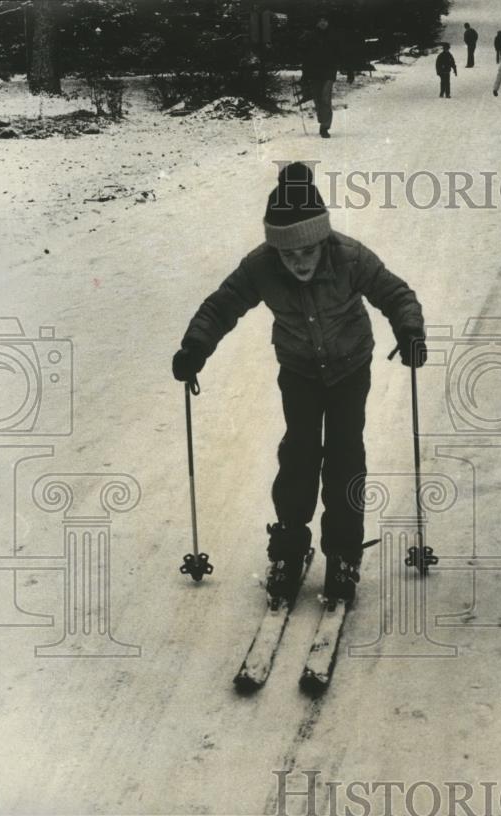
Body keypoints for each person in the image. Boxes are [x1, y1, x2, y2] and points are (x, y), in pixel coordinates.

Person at [171, 163, 427, 607]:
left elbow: (396, 293)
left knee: (345, 454)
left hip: (350, 367)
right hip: (299, 370)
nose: (299, 262)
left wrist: (410, 331)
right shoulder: (261, 266)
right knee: (299, 454)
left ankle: (344, 552)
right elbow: (221, 305)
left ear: (321, 240)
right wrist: (195, 348)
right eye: (289, 255)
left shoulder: (349, 256)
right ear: (276, 250)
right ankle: (288, 548)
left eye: (307, 252)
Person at [300, 17, 344, 138]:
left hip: (329, 73)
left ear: (328, 23)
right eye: (320, 21)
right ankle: (322, 121)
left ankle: (325, 126)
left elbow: (340, 53)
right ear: (317, 23)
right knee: (318, 100)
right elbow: (305, 56)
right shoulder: (310, 37)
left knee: (325, 98)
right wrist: (304, 74)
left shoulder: (333, 36)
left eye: (325, 20)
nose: (323, 23)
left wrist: (348, 70)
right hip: (314, 73)